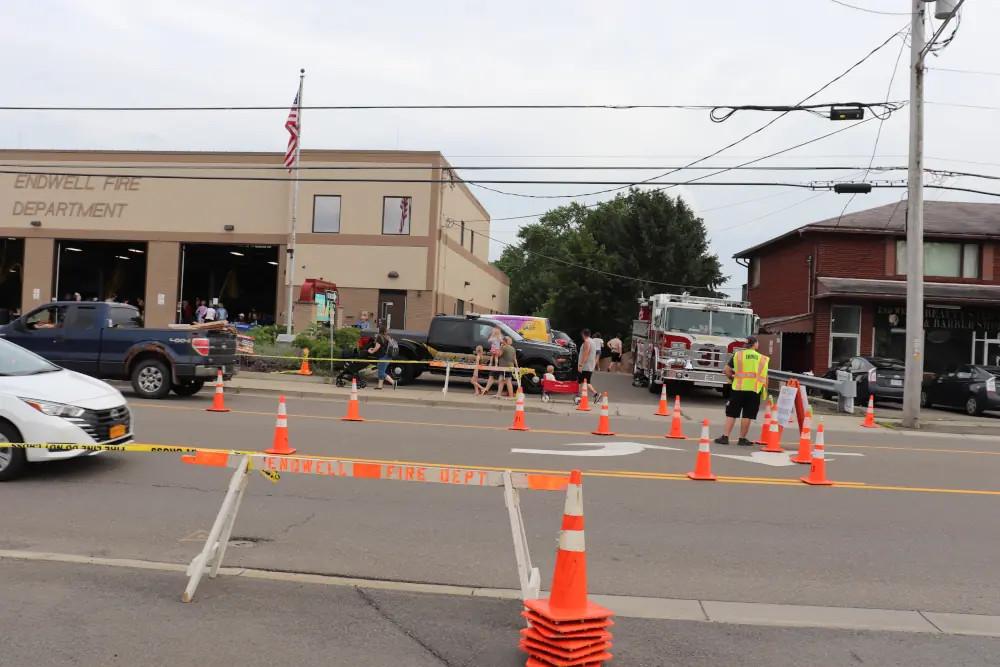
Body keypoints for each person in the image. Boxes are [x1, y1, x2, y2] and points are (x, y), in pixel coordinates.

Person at [715, 335, 769, 447]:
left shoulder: (738, 355)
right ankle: (742, 439)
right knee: (747, 415)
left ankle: (725, 437)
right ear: (755, 344)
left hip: (738, 388)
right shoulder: (763, 358)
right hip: (754, 390)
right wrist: (765, 392)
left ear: (746, 345)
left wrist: (732, 378)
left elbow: (726, 370)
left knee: (732, 413)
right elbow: (765, 378)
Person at [367, 325, 397, 390]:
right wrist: (374, 348)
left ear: (379, 330)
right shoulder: (388, 337)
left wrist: (371, 351)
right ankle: (380, 386)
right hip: (388, 356)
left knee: (381, 372)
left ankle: (393, 382)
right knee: (381, 371)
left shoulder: (379, 337)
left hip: (383, 357)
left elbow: (377, 347)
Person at [577, 329, 600, 399]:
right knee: (584, 382)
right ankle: (580, 396)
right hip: (589, 365)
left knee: (584, 382)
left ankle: (595, 394)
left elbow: (585, 354)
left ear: (583, 334)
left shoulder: (587, 342)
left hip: (586, 366)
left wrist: (581, 365)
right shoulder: (592, 341)